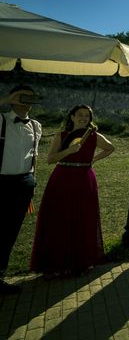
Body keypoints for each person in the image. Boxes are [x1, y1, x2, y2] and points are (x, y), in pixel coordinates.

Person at [30, 104, 114, 277]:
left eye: (87, 116)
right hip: (62, 178)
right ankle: (56, 264)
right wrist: (69, 150)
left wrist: (93, 160)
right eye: (80, 115)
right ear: (72, 117)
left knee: (81, 219)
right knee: (59, 218)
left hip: (85, 178)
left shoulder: (93, 136)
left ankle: (79, 262)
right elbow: (50, 159)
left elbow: (110, 148)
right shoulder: (61, 135)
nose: (84, 118)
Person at [0, 85, 42, 294]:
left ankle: (0, 275)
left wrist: (32, 182)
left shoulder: (36, 126)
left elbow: (34, 156)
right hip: (1, 182)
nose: (28, 101)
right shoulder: (2, 120)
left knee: (10, 232)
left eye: (31, 97)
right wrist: (7, 99)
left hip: (24, 183)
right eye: (23, 97)